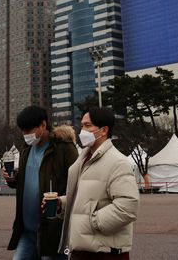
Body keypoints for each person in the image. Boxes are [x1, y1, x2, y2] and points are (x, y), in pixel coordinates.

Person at [54, 107, 139, 259]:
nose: (82, 131)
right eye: (81, 126)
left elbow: (128, 206)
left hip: (105, 253)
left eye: (88, 126)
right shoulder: (82, 160)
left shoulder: (118, 162)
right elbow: (85, 200)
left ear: (103, 130)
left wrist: (93, 222)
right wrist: (61, 203)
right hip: (80, 250)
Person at [4, 105, 78, 260]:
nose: (25, 134)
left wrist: (61, 203)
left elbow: (77, 184)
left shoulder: (64, 148)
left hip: (52, 231)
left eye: (29, 130)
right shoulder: (26, 150)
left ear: (43, 125)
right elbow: (25, 180)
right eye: (23, 130)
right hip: (26, 230)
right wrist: (12, 179)